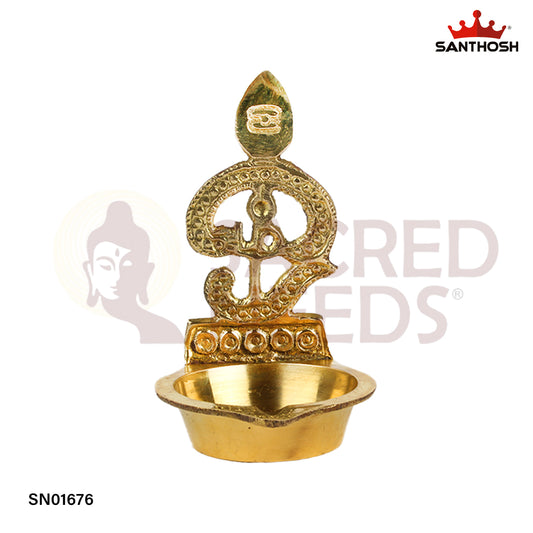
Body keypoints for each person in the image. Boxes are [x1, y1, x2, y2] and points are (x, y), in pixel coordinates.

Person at [83, 201, 181, 343]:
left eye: (128, 267)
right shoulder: (77, 329)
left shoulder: (164, 332)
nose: (117, 277)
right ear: (90, 272)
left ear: (145, 273)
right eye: (106, 266)